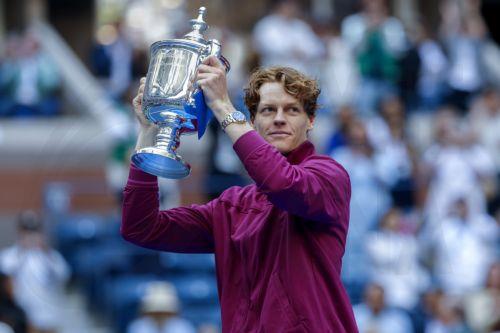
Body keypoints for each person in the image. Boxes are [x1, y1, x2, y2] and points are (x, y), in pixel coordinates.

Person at [121, 57, 358, 332]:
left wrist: (222, 106)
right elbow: (141, 227)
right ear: (253, 120)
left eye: (292, 110)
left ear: (311, 120)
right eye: (268, 110)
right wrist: (149, 135)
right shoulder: (232, 205)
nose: (279, 119)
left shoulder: (329, 175)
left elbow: (282, 183)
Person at [0, 211, 70, 333]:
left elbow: (63, 274)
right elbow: (6, 276)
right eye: (27, 230)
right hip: (22, 312)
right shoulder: (9, 255)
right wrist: (22, 250)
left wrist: (46, 251)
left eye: (33, 230)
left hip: (48, 311)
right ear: (20, 231)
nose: (30, 235)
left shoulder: (50, 255)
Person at [127, 281, 196, 333]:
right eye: (156, 313)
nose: (160, 316)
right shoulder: (137, 327)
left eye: (164, 312)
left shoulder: (183, 327)